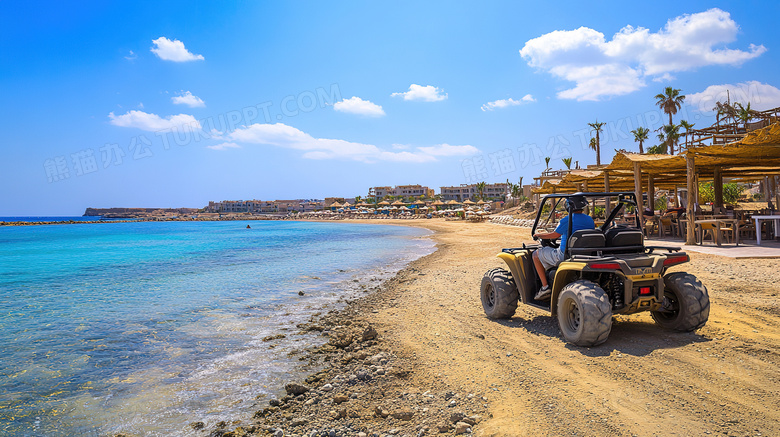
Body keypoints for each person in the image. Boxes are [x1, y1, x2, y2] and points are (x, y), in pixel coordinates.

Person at [531, 195, 595, 301]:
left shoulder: (566, 220)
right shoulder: (589, 220)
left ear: (569, 206)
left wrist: (539, 235)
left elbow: (555, 235)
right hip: (584, 253)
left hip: (564, 255)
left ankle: (545, 287)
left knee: (536, 255)